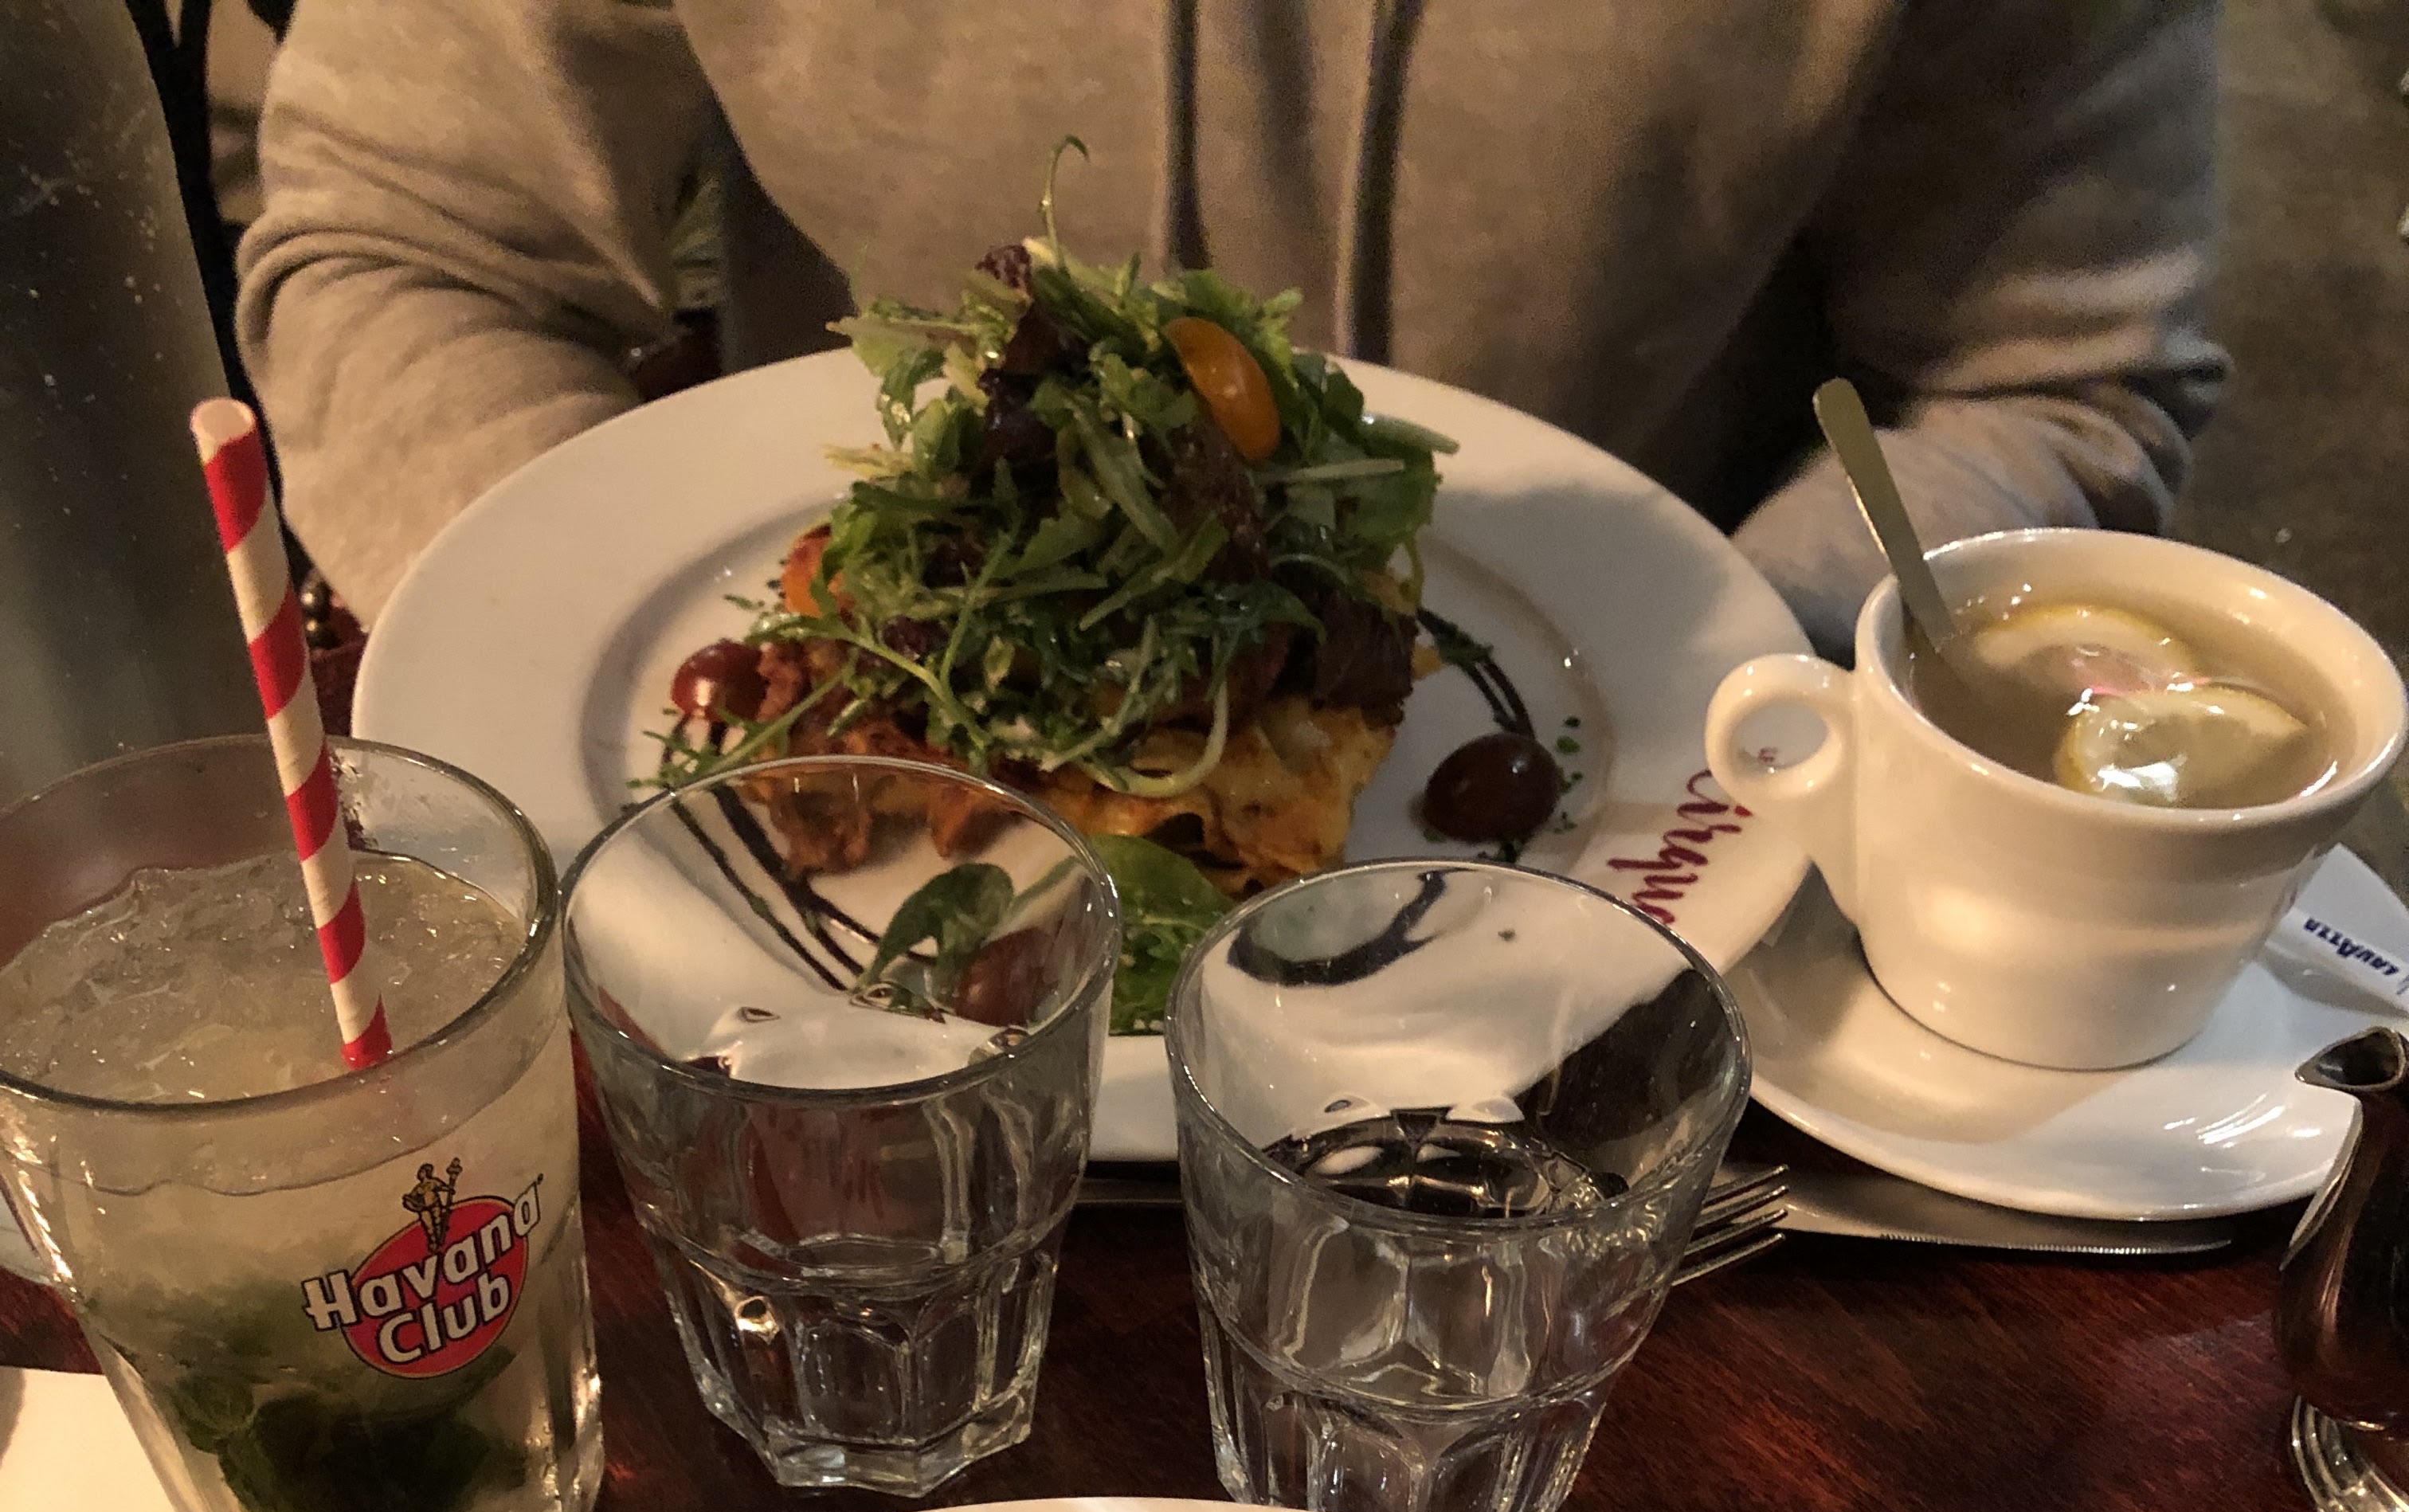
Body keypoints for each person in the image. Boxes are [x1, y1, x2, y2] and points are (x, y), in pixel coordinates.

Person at [236, 0, 2226, 654]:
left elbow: (2055, 376)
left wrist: (1706, 700)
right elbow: (408, 241)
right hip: (837, 951)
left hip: (1657, 959)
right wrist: (711, 703)